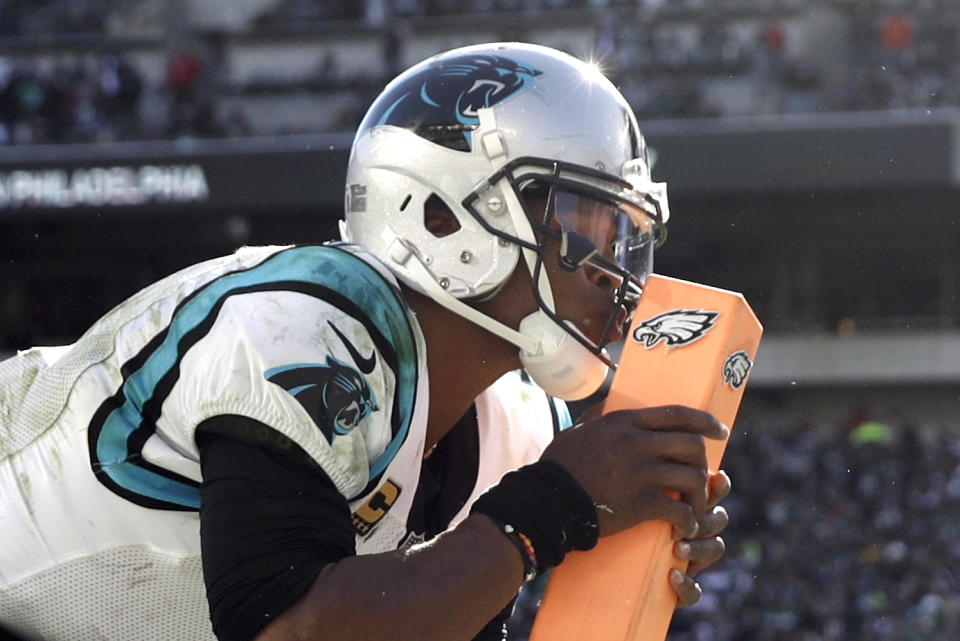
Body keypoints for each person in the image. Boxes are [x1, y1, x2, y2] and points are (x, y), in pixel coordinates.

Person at [0, 42, 732, 641]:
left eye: (628, 235)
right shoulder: (303, 326)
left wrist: (605, 549)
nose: (615, 272)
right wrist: (548, 506)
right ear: (444, 216)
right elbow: (292, 631)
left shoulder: (520, 421)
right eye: (588, 223)